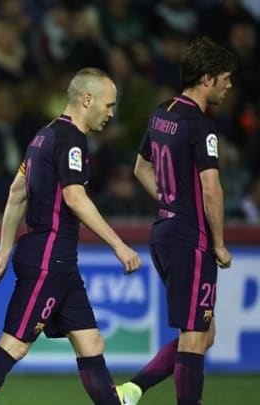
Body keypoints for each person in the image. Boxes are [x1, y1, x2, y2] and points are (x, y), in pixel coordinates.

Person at [0, 67, 141, 405]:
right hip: (48, 259)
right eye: (109, 104)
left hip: (58, 263)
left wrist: (4, 250)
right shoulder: (71, 139)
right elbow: (75, 198)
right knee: (12, 346)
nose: (111, 113)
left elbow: (17, 192)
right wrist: (118, 244)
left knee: (91, 345)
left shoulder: (42, 136)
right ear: (87, 99)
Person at [117, 36, 235, 405]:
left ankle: (132, 390)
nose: (230, 86)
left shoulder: (160, 113)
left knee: (202, 332)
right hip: (192, 238)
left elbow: (140, 167)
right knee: (196, 335)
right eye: (225, 78)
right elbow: (211, 188)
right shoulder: (202, 127)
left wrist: (168, 200)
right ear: (206, 78)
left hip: (164, 233)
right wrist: (217, 242)